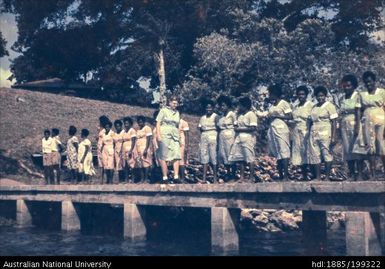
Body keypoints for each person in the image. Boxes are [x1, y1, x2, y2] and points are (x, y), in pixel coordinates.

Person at [353, 71, 385, 179]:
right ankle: (373, 174)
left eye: (370, 81)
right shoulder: (361, 94)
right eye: (366, 82)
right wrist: (357, 125)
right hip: (367, 121)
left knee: (381, 145)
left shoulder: (382, 92)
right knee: (370, 146)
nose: (368, 84)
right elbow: (358, 110)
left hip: (381, 121)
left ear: (374, 81)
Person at [258, 85, 292, 181]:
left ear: (275, 94)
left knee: (284, 151)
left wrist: (278, 116)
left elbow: (290, 116)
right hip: (273, 128)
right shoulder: (272, 106)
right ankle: (281, 175)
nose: (269, 96)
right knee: (277, 151)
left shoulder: (284, 103)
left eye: (270, 94)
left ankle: (286, 176)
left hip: (281, 128)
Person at [308, 86, 338, 180]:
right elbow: (311, 121)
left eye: (322, 96)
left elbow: (334, 121)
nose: (320, 98)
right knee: (315, 154)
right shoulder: (314, 107)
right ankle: (318, 176)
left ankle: (327, 176)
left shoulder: (330, 106)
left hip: (326, 130)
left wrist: (333, 136)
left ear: (325, 96)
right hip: (314, 131)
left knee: (326, 153)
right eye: (318, 96)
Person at [339, 74, 363, 180]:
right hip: (344, 124)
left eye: (348, 86)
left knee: (357, 149)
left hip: (355, 123)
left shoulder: (358, 96)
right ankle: (352, 174)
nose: (346, 88)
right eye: (344, 86)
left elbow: (359, 112)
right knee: (347, 150)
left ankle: (360, 174)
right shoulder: (342, 98)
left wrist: (358, 126)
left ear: (354, 86)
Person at [229, 97, 258, 182]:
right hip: (239, 138)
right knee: (240, 158)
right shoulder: (239, 115)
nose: (238, 107)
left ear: (244, 106)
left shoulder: (251, 114)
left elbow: (253, 128)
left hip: (248, 138)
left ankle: (251, 177)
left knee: (249, 157)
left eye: (240, 105)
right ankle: (242, 177)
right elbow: (235, 126)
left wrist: (240, 129)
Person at [156, 96, 181, 183]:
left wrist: (179, 136)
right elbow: (158, 123)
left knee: (176, 154)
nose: (175, 105)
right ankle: (165, 177)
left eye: (176, 103)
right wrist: (158, 135)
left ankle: (176, 176)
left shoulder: (177, 112)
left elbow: (177, 125)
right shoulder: (163, 110)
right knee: (164, 155)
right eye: (174, 103)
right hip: (164, 133)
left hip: (174, 135)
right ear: (169, 103)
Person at [291, 86, 313, 180]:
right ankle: (303, 174)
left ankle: (313, 174)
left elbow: (312, 119)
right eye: (299, 94)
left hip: (306, 130)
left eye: (303, 94)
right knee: (299, 153)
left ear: (306, 95)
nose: (301, 96)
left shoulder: (310, 105)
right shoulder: (296, 106)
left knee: (308, 152)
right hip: (297, 130)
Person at [198, 100, 219, 183]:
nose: (208, 109)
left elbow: (218, 128)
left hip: (213, 135)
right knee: (204, 156)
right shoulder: (202, 117)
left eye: (210, 107)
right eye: (207, 108)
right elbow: (200, 127)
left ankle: (215, 178)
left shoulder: (216, 116)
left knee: (213, 156)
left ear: (213, 108)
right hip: (204, 136)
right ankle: (204, 178)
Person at [217, 95, 237, 181]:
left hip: (230, 136)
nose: (222, 107)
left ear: (227, 105)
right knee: (224, 154)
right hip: (222, 137)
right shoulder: (221, 116)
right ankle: (228, 173)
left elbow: (236, 125)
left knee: (231, 154)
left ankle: (233, 174)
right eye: (221, 105)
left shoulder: (232, 114)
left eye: (223, 105)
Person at [136, 116, 153, 183]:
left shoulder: (147, 128)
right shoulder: (138, 130)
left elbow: (149, 139)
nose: (140, 123)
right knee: (141, 164)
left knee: (146, 163)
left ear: (144, 122)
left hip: (145, 146)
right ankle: (142, 179)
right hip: (139, 148)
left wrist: (146, 149)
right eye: (139, 122)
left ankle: (146, 179)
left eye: (141, 122)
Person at [97, 115, 111, 183]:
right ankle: (101, 180)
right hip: (99, 148)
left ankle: (106, 179)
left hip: (103, 149)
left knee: (105, 164)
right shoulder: (100, 130)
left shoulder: (105, 130)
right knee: (101, 165)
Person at [178, 111, 190, 182]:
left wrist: (186, 146)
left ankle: (182, 177)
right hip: (174, 144)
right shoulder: (172, 123)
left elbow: (187, 135)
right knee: (175, 160)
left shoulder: (184, 123)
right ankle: (178, 176)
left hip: (182, 143)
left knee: (181, 160)